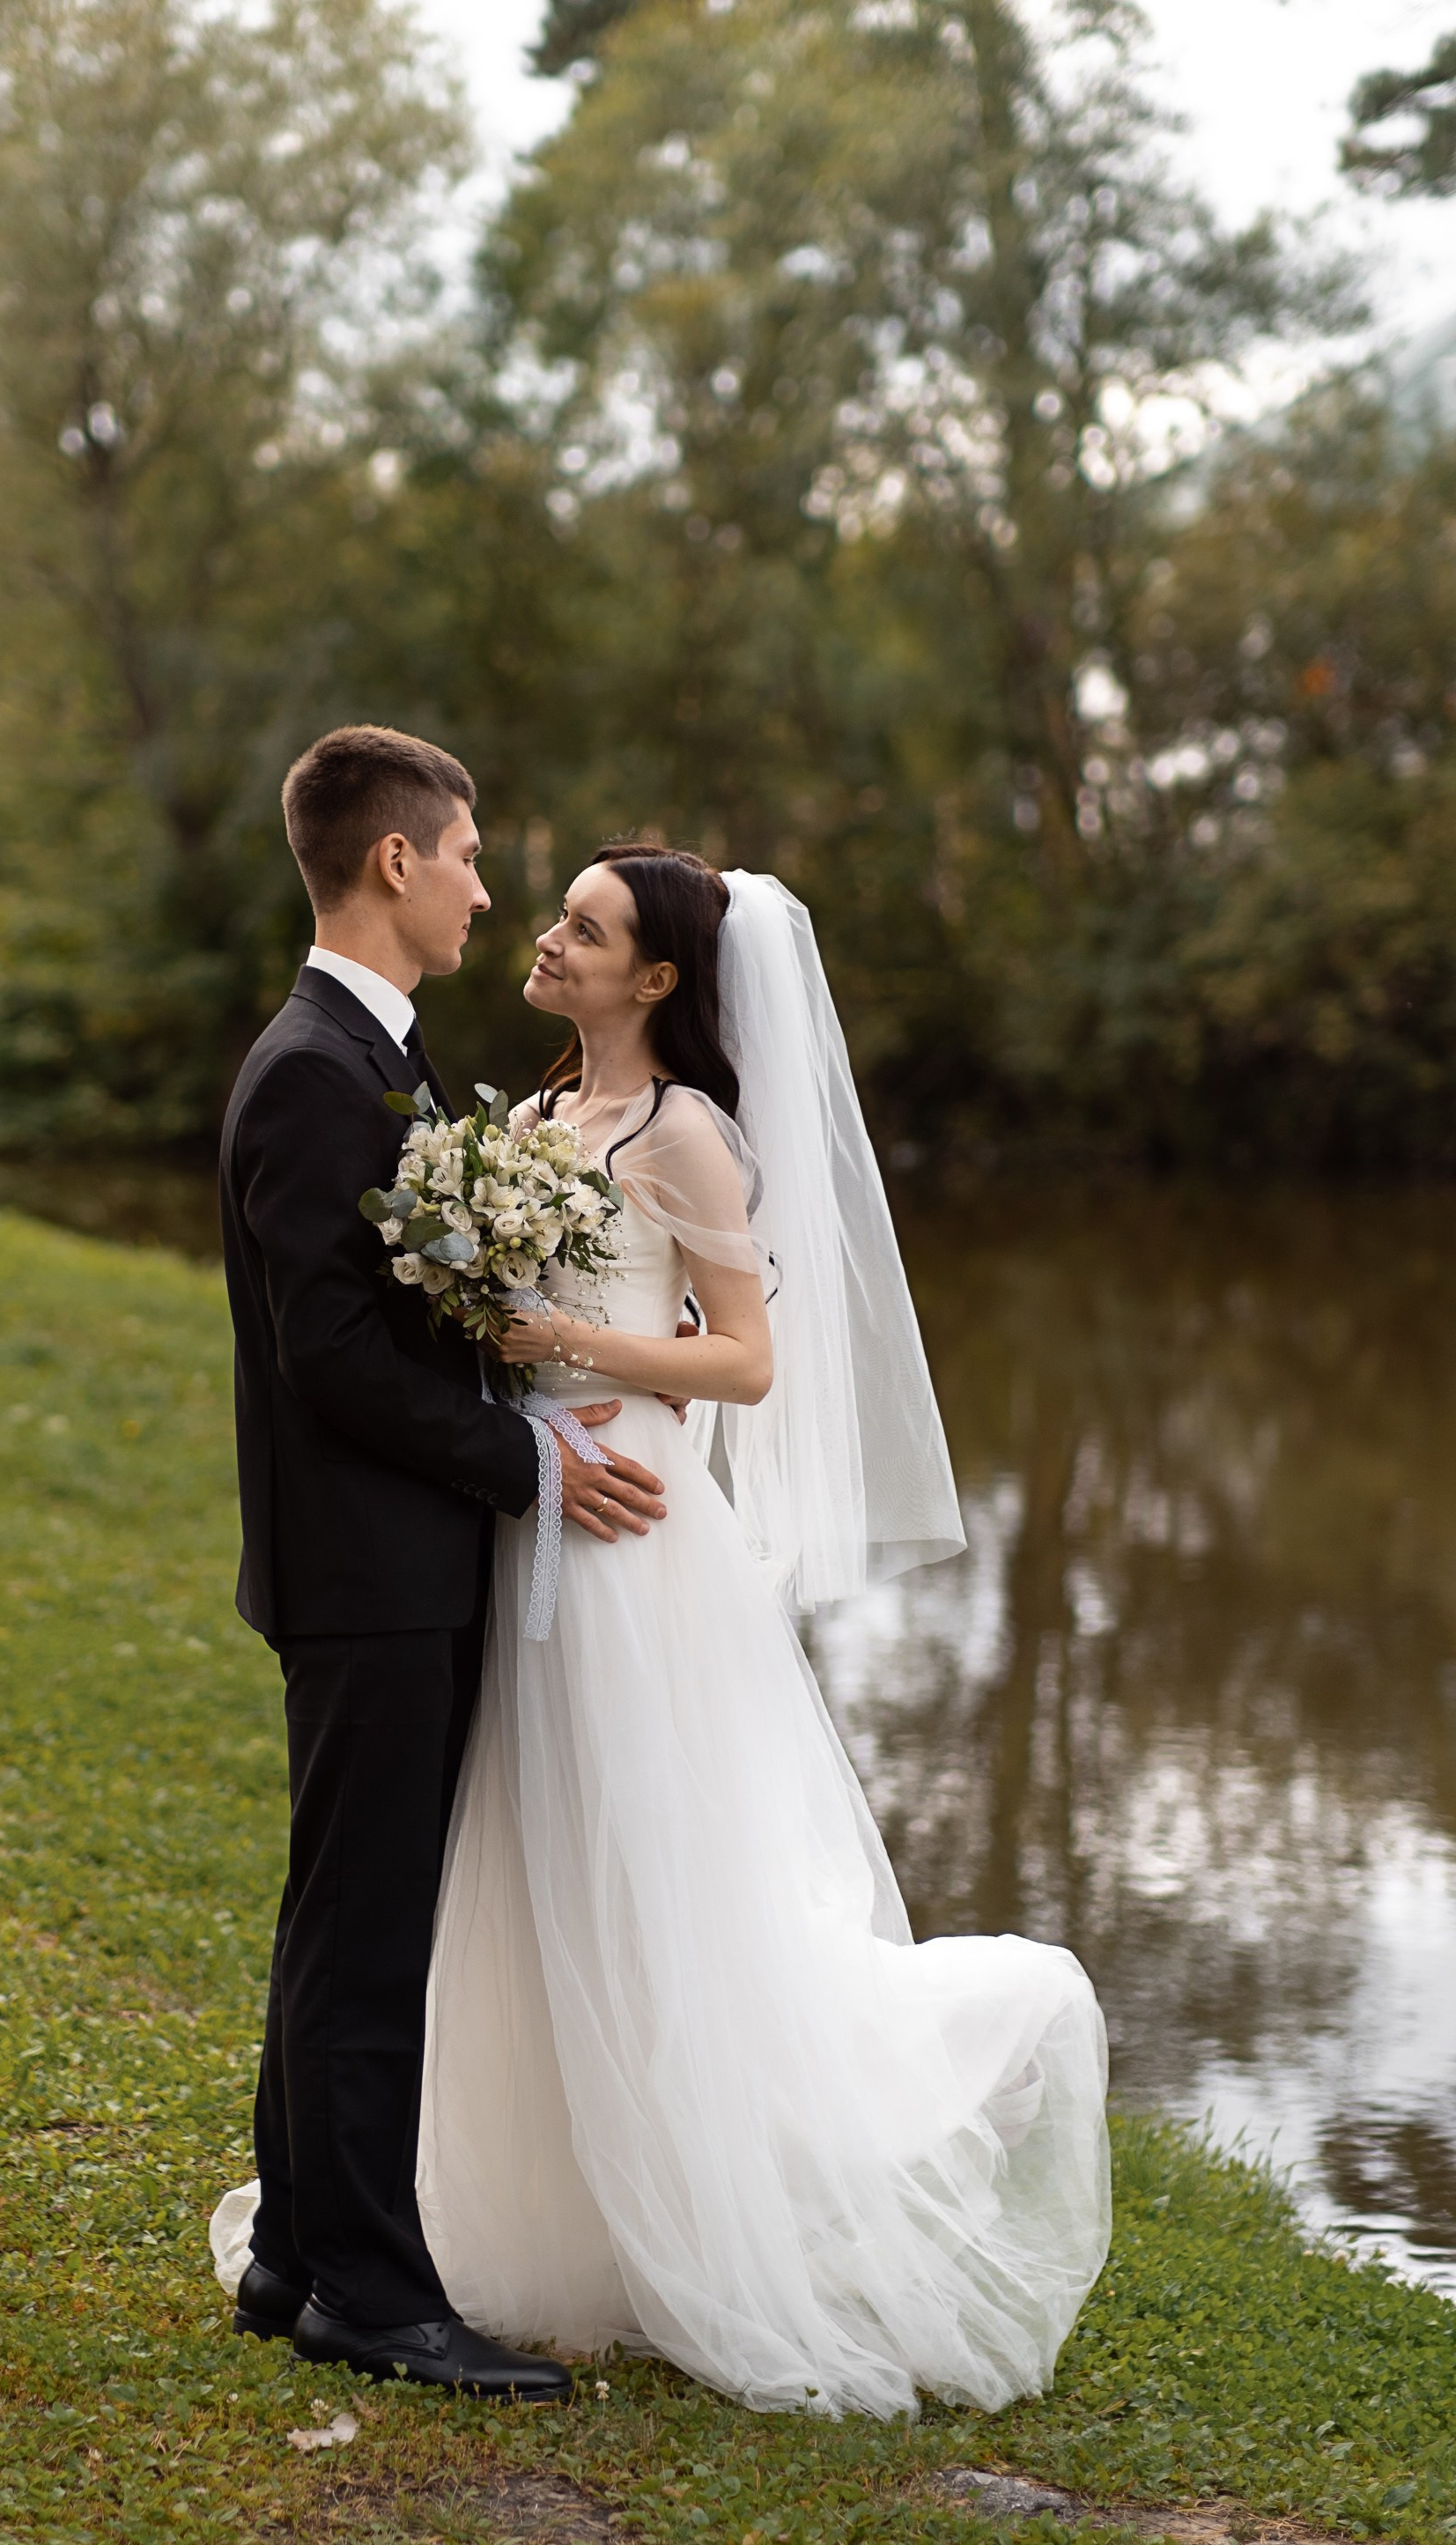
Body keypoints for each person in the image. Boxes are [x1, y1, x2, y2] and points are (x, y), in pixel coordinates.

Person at [413, 845, 1112, 2417]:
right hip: (531, 1500)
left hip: (635, 1530)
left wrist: (563, 1340)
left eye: (583, 930)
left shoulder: (687, 1140)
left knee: (649, 1856)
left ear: (656, 980)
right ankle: (552, 2222)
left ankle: (720, 2203)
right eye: (557, 916)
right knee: (530, 1845)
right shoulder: (524, 1124)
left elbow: (742, 1364)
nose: (548, 937)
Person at [214, 731, 668, 2401]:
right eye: (470, 853)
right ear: (394, 863)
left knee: (344, 1911)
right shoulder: (318, 1072)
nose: (488, 886)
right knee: (369, 1929)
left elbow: (398, 1324)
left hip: (383, 1566)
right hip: (372, 1572)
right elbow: (332, 1359)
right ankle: (373, 2296)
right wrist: (530, 1458)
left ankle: (292, 2255)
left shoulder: (365, 1055)